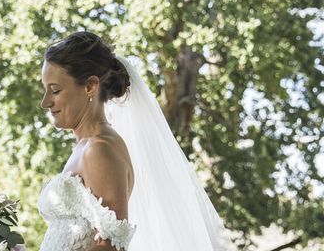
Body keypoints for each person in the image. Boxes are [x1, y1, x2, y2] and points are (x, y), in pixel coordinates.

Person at [38, 31, 236, 251]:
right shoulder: (86, 147)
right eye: (45, 90)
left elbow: (112, 244)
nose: (45, 102)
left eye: (55, 90)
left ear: (90, 86)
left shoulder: (99, 149)